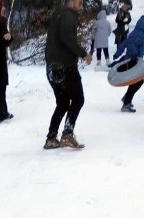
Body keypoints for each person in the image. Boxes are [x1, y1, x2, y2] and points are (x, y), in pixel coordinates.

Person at [44, 0, 92, 149]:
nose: (81, 7)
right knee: (78, 99)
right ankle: (67, 134)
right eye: (79, 3)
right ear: (71, 2)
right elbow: (67, 39)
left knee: (63, 103)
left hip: (52, 68)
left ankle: (51, 138)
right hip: (65, 67)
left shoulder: (59, 15)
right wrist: (83, 54)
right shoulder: (68, 16)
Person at [113, 15, 144, 112]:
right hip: (132, 61)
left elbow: (125, 43)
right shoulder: (139, 35)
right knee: (138, 81)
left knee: (137, 81)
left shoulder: (137, 32)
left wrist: (118, 53)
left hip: (134, 60)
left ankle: (126, 98)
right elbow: (131, 46)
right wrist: (136, 57)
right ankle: (126, 102)